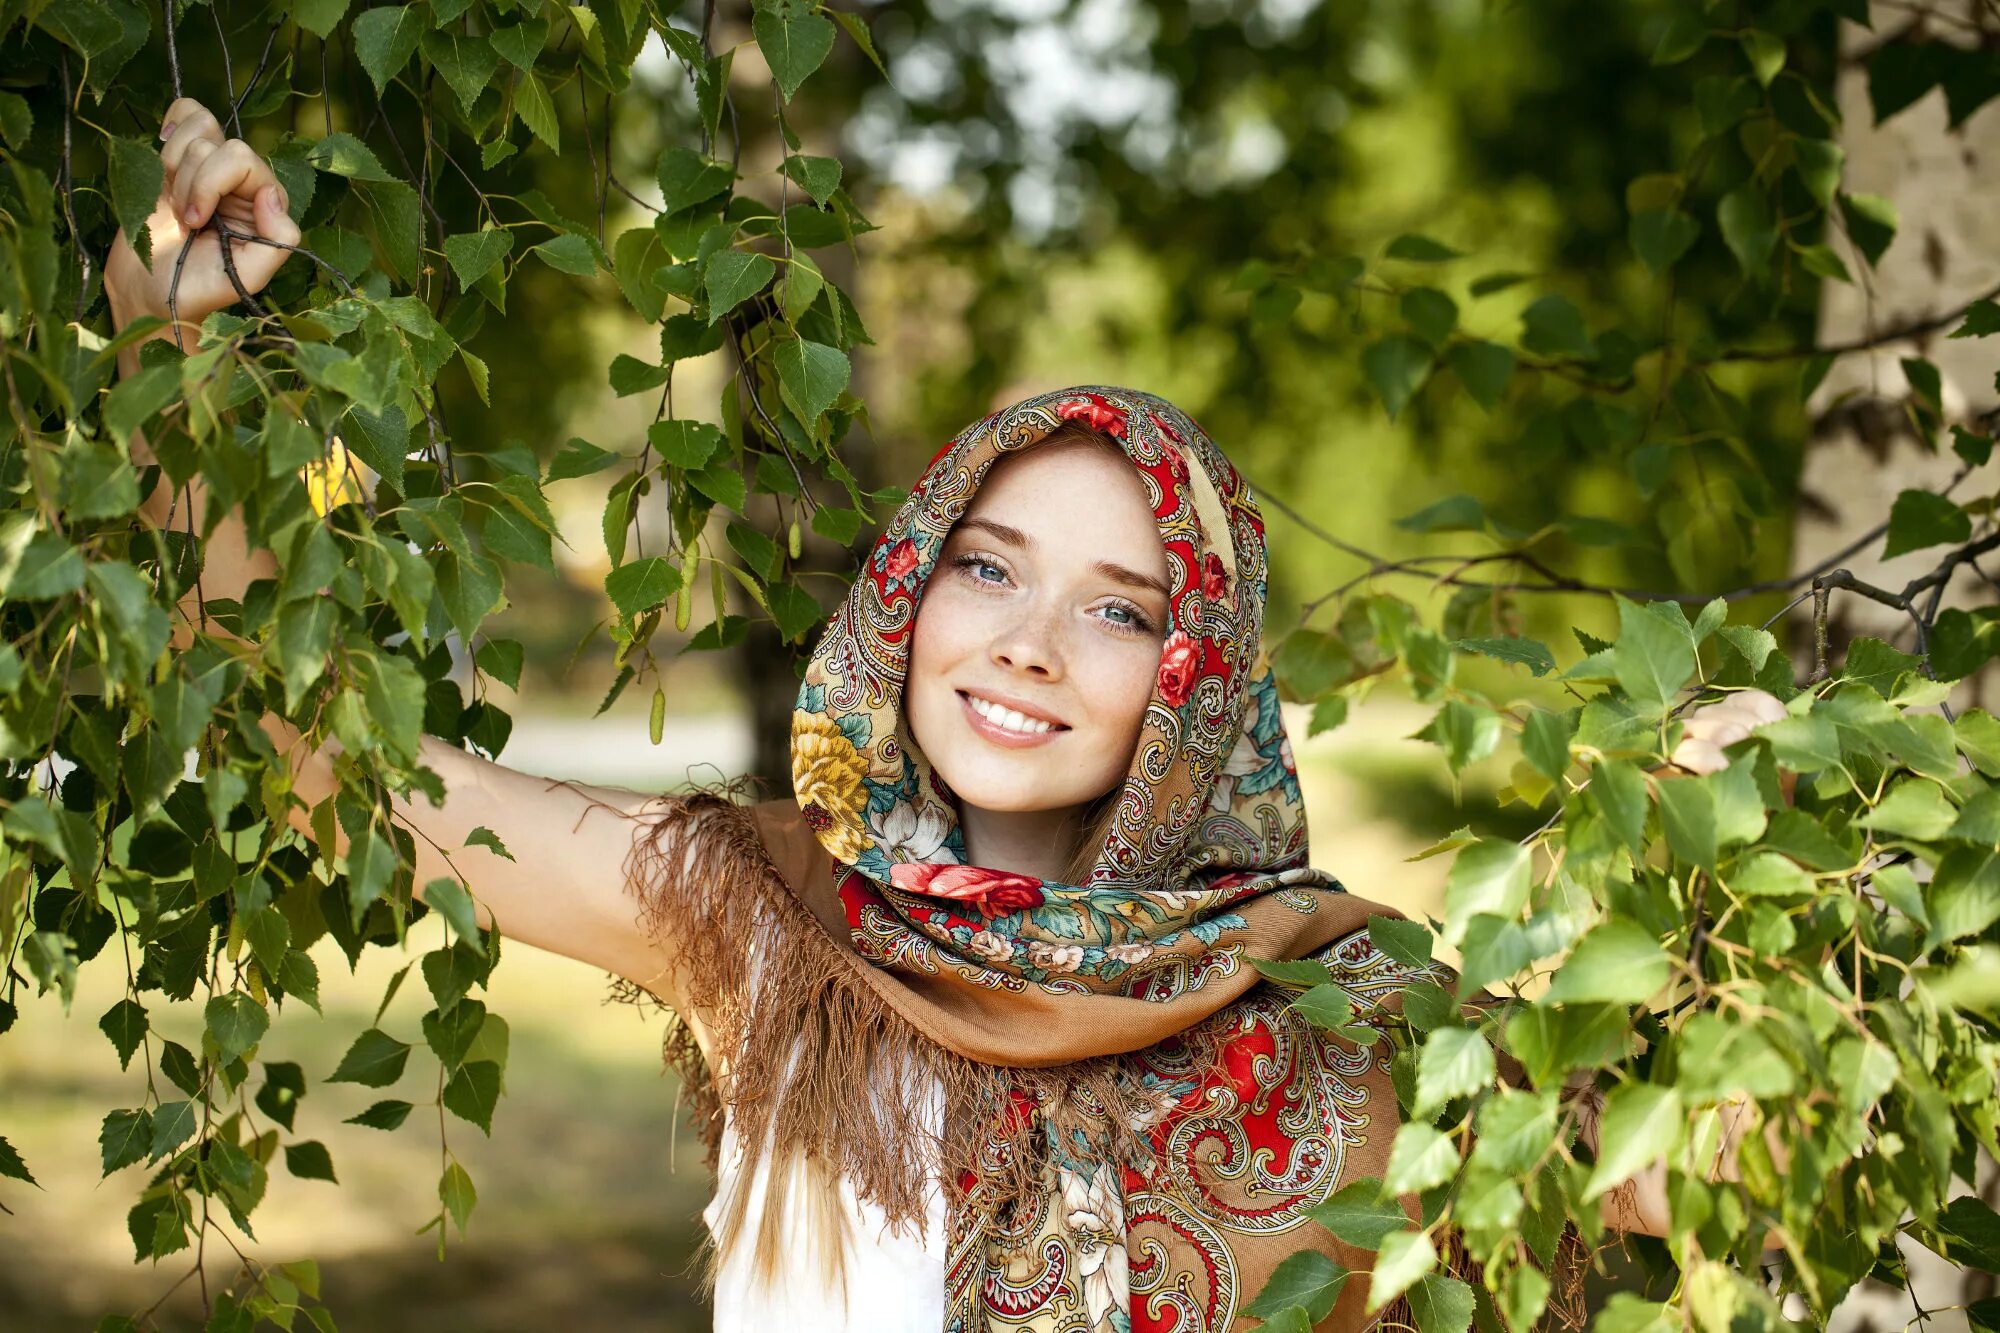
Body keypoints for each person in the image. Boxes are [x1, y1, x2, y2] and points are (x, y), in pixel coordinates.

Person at [101, 99, 1790, 1333]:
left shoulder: (1355, 1012)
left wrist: (1739, 886)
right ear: (907, 594)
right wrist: (171, 365)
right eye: (986, 570)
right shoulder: (767, 927)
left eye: (1123, 608)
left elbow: (1678, 1188)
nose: (1031, 644)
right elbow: (323, 767)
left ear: (1199, 680)